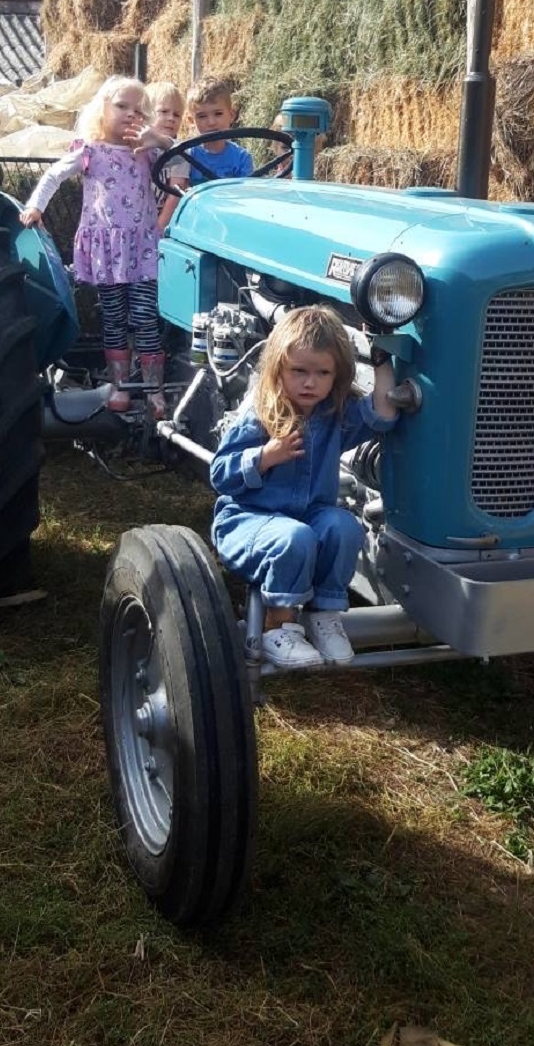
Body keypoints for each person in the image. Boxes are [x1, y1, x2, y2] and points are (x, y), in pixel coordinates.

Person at [210, 306, 399, 670]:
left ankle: (323, 615)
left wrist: (381, 359)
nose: (310, 383)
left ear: (337, 375)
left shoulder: (333, 415)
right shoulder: (262, 413)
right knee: (294, 537)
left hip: (307, 518)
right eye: (299, 371)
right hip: (249, 521)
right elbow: (220, 474)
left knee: (344, 526)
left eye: (322, 373)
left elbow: (383, 414)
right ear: (279, 368)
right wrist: (265, 456)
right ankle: (277, 626)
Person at [20, 75, 165, 416]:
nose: (131, 114)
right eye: (121, 106)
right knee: (114, 318)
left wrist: (157, 137)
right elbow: (53, 175)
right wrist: (35, 206)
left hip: (141, 247)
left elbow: (179, 163)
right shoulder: (90, 150)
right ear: (102, 109)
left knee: (145, 318)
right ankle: (119, 385)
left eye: (139, 109)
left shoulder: (148, 152)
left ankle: (154, 389)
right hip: (107, 249)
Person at [186, 76, 254, 181]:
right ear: (191, 121)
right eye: (202, 116)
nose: (211, 122)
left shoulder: (242, 158)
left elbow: (244, 193)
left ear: (231, 115)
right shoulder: (186, 156)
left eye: (218, 114)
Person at [147, 80, 191, 232]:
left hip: (161, 220)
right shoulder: (134, 147)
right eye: (164, 112)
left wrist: (159, 228)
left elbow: (175, 193)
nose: (171, 118)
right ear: (146, 113)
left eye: (177, 115)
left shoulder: (180, 152)